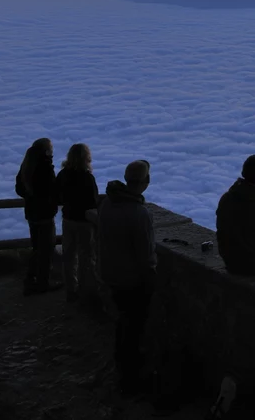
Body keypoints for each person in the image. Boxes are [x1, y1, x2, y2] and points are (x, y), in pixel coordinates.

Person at [98, 159, 156, 394]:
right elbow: (145, 255)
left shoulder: (108, 204)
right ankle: (130, 379)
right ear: (146, 182)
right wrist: (151, 278)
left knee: (124, 323)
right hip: (132, 280)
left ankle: (122, 368)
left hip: (111, 274)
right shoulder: (139, 213)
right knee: (134, 328)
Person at [16, 137, 61, 295]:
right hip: (45, 214)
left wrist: (31, 196)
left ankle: (30, 280)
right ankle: (43, 282)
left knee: (37, 249)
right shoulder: (45, 167)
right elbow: (52, 190)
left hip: (31, 213)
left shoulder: (27, 165)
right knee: (47, 250)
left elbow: (19, 189)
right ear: (46, 150)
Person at [56, 143, 99, 302]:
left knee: (68, 255)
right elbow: (93, 200)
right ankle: (86, 290)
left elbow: (58, 195)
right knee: (86, 256)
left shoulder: (63, 174)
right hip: (84, 221)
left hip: (68, 219)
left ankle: (70, 290)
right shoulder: (87, 177)